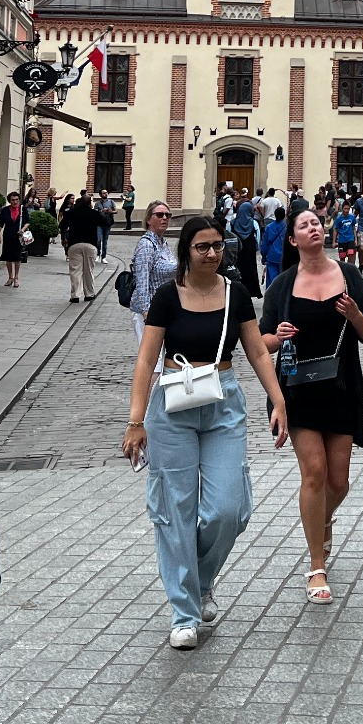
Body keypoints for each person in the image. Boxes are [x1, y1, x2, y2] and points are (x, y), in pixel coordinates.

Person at [121, 218, 290, 649]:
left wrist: (278, 400)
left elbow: (257, 351)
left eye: (217, 245)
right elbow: (146, 360)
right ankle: (184, 613)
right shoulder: (167, 296)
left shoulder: (236, 294)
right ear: (186, 251)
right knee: (175, 510)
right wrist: (136, 421)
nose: (212, 253)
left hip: (222, 402)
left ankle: (200, 580)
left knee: (228, 509)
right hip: (172, 405)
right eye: (202, 247)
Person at [260, 207, 363, 603]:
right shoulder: (282, 285)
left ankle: (322, 518)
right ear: (292, 239)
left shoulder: (349, 277)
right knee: (314, 473)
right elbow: (261, 342)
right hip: (298, 390)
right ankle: (317, 565)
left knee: (338, 481)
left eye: (316, 223)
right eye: (304, 225)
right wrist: (277, 336)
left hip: (341, 388)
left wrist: (355, 314)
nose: (313, 228)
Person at [130, 201, 180, 345]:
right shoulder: (146, 245)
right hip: (149, 311)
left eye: (168, 215)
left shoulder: (162, 242)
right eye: (159, 215)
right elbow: (142, 281)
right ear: (148, 219)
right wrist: (146, 312)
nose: (164, 218)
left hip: (164, 308)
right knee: (151, 354)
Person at [60, 193, 99, 304]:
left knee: (75, 271)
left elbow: (62, 226)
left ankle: (75, 296)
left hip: (74, 244)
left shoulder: (71, 212)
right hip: (90, 244)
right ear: (89, 203)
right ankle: (89, 294)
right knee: (88, 270)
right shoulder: (93, 213)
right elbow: (106, 223)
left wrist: (65, 236)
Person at [230, 193, 263, 295]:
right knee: (250, 269)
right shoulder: (253, 223)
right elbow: (257, 238)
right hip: (250, 250)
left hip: (238, 251)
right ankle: (251, 291)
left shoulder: (233, 222)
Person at [0, 191, 29, 288]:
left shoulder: (23, 209)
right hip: (8, 234)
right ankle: (10, 277)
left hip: (18, 236)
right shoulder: (5, 210)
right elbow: (0, 223)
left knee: (17, 257)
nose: (15, 202)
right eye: (12, 200)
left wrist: (23, 229)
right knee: (8, 256)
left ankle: (16, 277)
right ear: (9, 201)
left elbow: (27, 221)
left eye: (16, 200)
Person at [261, 204, 288, 286]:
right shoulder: (287, 227)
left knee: (271, 279)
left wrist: (263, 256)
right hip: (284, 255)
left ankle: (272, 292)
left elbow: (265, 243)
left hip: (272, 255)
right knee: (283, 278)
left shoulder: (269, 227)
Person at [331, 199, 358, 265]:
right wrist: (334, 241)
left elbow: (354, 228)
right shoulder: (339, 218)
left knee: (351, 254)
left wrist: (356, 239)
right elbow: (336, 230)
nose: (346, 211)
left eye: (348, 209)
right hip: (342, 240)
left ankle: (350, 267)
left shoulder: (352, 217)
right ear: (342, 208)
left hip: (350, 239)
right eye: (345, 209)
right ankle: (343, 269)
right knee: (342, 257)